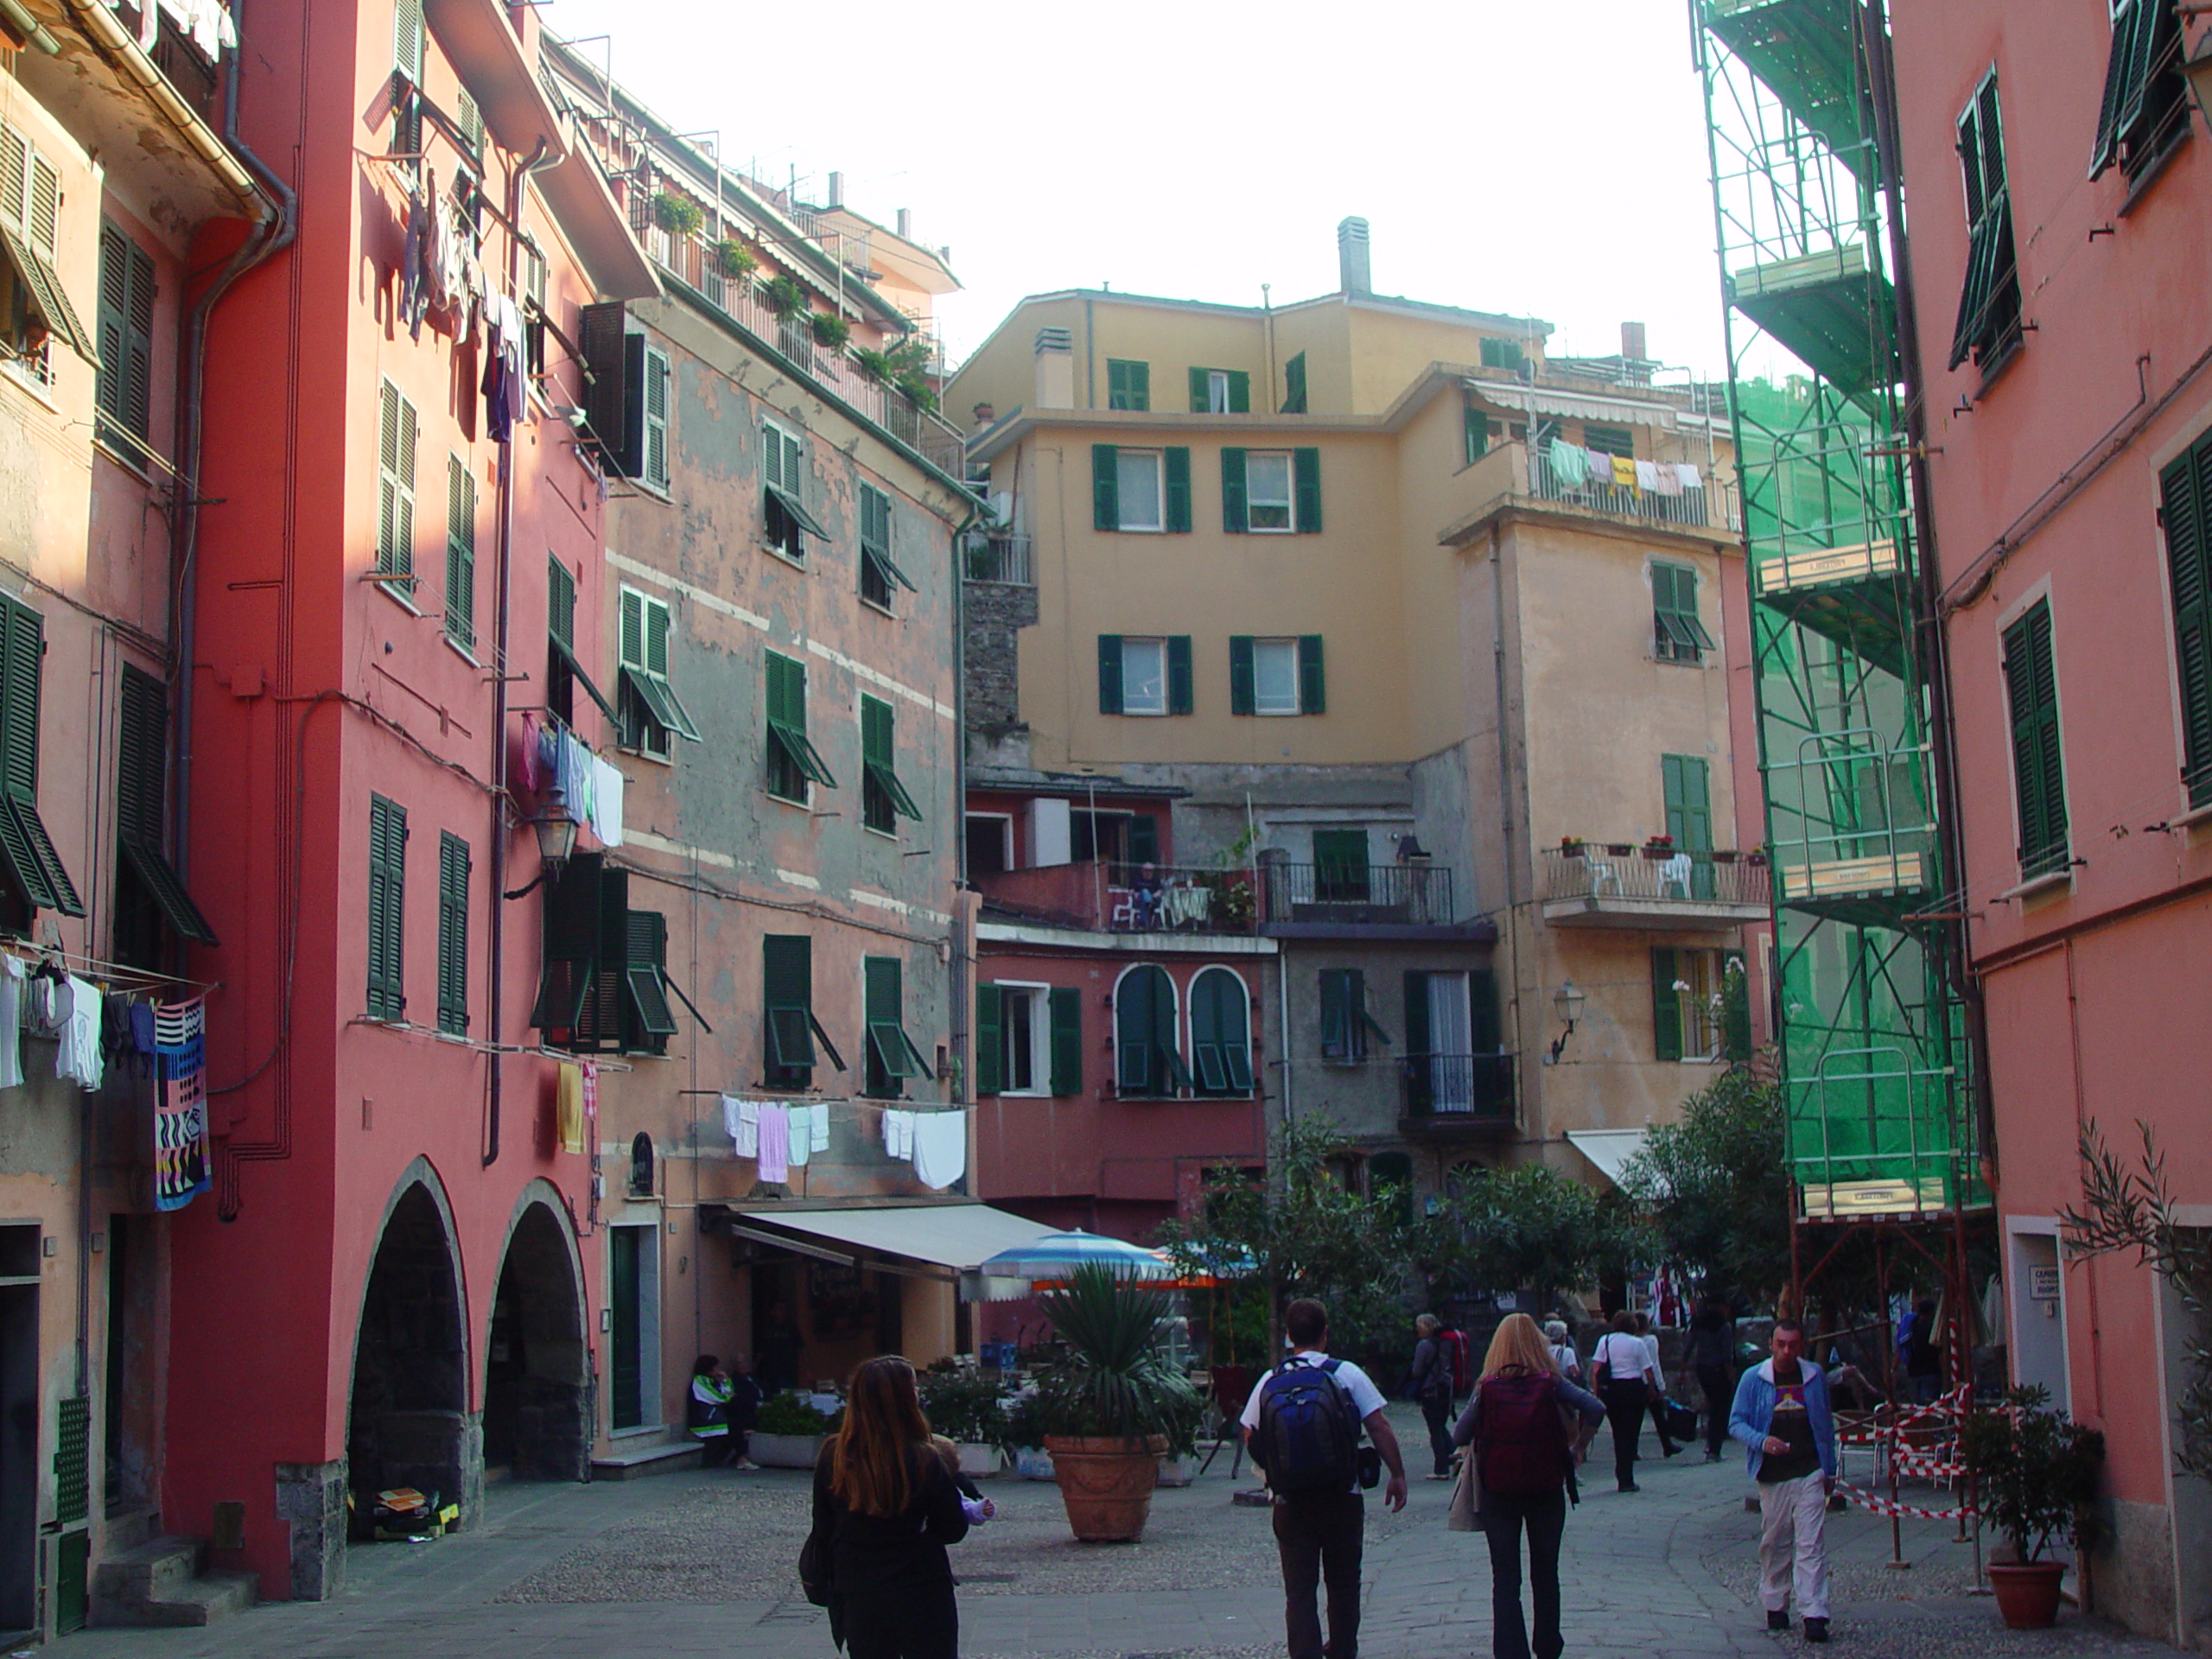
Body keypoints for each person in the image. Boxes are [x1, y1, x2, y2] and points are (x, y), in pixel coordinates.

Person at [1241, 1298, 1408, 1659]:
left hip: (1290, 1502)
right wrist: (1397, 1474)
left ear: (1288, 1336)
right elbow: (1379, 1426)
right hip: (1341, 1496)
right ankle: (1343, 1650)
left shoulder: (1271, 1379)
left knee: (1299, 1591)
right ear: (1325, 1334)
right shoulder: (1345, 1373)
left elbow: (1249, 1433)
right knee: (1344, 1582)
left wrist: (1275, 1471)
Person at [1452, 1313, 1607, 1659]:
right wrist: (1579, 1446)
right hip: (1546, 1486)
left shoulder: (1487, 1387)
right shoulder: (1551, 1382)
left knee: (1505, 1577)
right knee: (1546, 1571)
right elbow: (1595, 1407)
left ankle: (1511, 1651)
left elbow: (1459, 1434)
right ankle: (1548, 1646)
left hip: (1498, 1490)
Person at [811, 1356, 971, 1659]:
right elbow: (952, 1528)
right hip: (919, 1585)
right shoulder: (924, 1457)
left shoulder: (835, 1456)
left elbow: (823, 1525)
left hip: (859, 1586)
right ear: (904, 1399)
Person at [1728, 1319, 1837, 1644]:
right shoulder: (1754, 1379)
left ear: (1801, 1346)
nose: (1787, 1351)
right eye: (1781, 1344)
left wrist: (1829, 1470)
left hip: (1809, 1469)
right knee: (1775, 1539)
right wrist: (1762, 1441)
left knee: (1810, 1542)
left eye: (1793, 1345)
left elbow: (1825, 1425)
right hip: (1773, 1473)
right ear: (1772, 1344)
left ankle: (1814, 1612)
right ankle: (1775, 1602)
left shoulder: (1814, 1377)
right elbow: (1735, 1422)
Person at [1591, 1310, 1659, 1491]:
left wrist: (1596, 1390)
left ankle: (1621, 1469)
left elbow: (1596, 1368)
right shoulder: (1637, 1343)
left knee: (1618, 1431)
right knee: (1631, 1431)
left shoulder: (1605, 1340)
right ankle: (1626, 1475)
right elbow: (1648, 1370)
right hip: (1633, 1388)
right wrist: (1652, 1389)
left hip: (1612, 1389)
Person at [1407, 1313, 1457, 1480]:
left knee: (1435, 1429)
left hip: (1430, 1391)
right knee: (1441, 1425)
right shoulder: (1445, 1343)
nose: (1417, 1329)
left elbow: (1417, 1371)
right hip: (1446, 1389)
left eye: (1419, 1326)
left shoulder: (1424, 1345)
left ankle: (1441, 1469)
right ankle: (1454, 1454)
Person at [1688, 1297, 1738, 1463]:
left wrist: (1683, 1368)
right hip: (1718, 1371)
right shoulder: (1724, 1327)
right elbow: (1727, 1354)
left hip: (1703, 1370)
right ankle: (1714, 1448)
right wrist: (1730, 1374)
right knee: (1720, 1409)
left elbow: (1689, 1347)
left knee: (1713, 1406)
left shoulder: (1698, 1325)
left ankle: (1712, 1445)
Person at [1636, 1313, 1682, 1458]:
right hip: (1649, 1381)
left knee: (1635, 1418)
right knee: (1658, 1415)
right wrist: (1660, 1385)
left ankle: (1632, 1449)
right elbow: (1654, 1364)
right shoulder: (1650, 1341)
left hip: (1634, 1381)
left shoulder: (1630, 1341)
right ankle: (1667, 1445)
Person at [688, 1355, 736, 1466]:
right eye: (716, 1367)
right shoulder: (700, 1380)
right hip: (705, 1421)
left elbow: (727, 1392)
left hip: (715, 1420)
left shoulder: (713, 1381)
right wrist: (727, 1398)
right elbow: (716, 1396)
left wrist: (725, 1381)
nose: (718, 1370)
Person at [756, 1300, 804, 1395]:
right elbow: (761, 1350)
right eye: (779, 1309)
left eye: (784, 1310)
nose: (782, 1312)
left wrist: (805, 1370)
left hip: (787, 1371)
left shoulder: (791, 1328)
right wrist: (754, 1367)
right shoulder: (767, 1329)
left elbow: (801, 1348)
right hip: (770, 1372)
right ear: (772, 1312)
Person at [727, 1353, 765, 1470]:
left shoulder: (753, 1377)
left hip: (757, 1409)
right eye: (739, 1364)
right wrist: (758, 1405)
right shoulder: (735, 1381)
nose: (743, 1366)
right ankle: (741, 1458)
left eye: (744, 1362)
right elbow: (740, 1400)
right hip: (746, 1412)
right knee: (739, 1426)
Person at [1900, 1297, 1942, 1404]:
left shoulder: (1911, 1326)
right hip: (1931, 1371)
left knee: (1917, 1405)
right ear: (1932, 1311)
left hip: (1913, 1371)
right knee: (1929, 1405)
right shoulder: (1934, 1329)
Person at [1543, 1320, 1583, 1386]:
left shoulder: (1543, 1351)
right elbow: (1575, 1372)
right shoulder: (1568, 1351)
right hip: (1564, 1385)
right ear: (1562, 1337)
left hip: (1547, 1385)